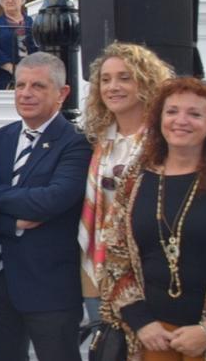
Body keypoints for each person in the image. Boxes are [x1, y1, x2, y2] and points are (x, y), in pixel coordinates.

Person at [99, 77, 206, 360]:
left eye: (194, 114)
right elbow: (115, 255)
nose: (180, 120)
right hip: (150, 337)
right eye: (172, 111)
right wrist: (142, 322)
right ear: (159, 118)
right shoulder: (136, 179)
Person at [0, 52, 91, 361]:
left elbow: (50, 200)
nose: (26, 93)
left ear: (62, 93)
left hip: (50, 289)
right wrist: (13, 222)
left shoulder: (76, 143)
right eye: (20, 85)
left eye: (38, 86)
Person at [80, 42, 174, 323]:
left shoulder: (165, 142)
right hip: (96, 267)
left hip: (148, 270)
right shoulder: (98, 140)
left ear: (146, 81)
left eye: (125, 77)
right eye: (105, 80)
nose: (113, 87)